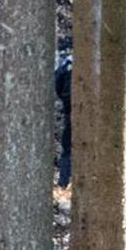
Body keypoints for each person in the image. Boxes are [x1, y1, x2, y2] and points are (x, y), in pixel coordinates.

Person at [54, 50, 73, 187]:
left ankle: (64, 182)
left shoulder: (67, 63)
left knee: (68, 147)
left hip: (70, 108)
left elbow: (57, 84)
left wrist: (65, 99)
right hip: (86, 109)